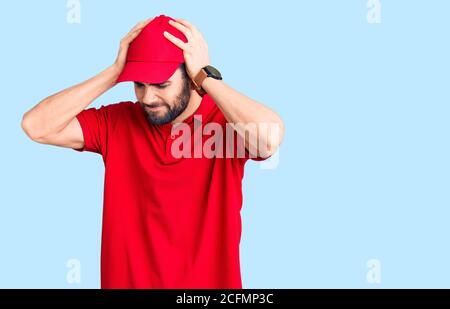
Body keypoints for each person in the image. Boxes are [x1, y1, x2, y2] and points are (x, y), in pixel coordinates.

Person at [21, 14, 284, 288]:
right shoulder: (116, 123)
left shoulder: (227, 124)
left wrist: (207, 75)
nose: (148, 97)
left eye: (161, 85)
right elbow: (36, 126)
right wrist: (113, 74)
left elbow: (270, 138)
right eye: (139, 84)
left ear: (191, 77)